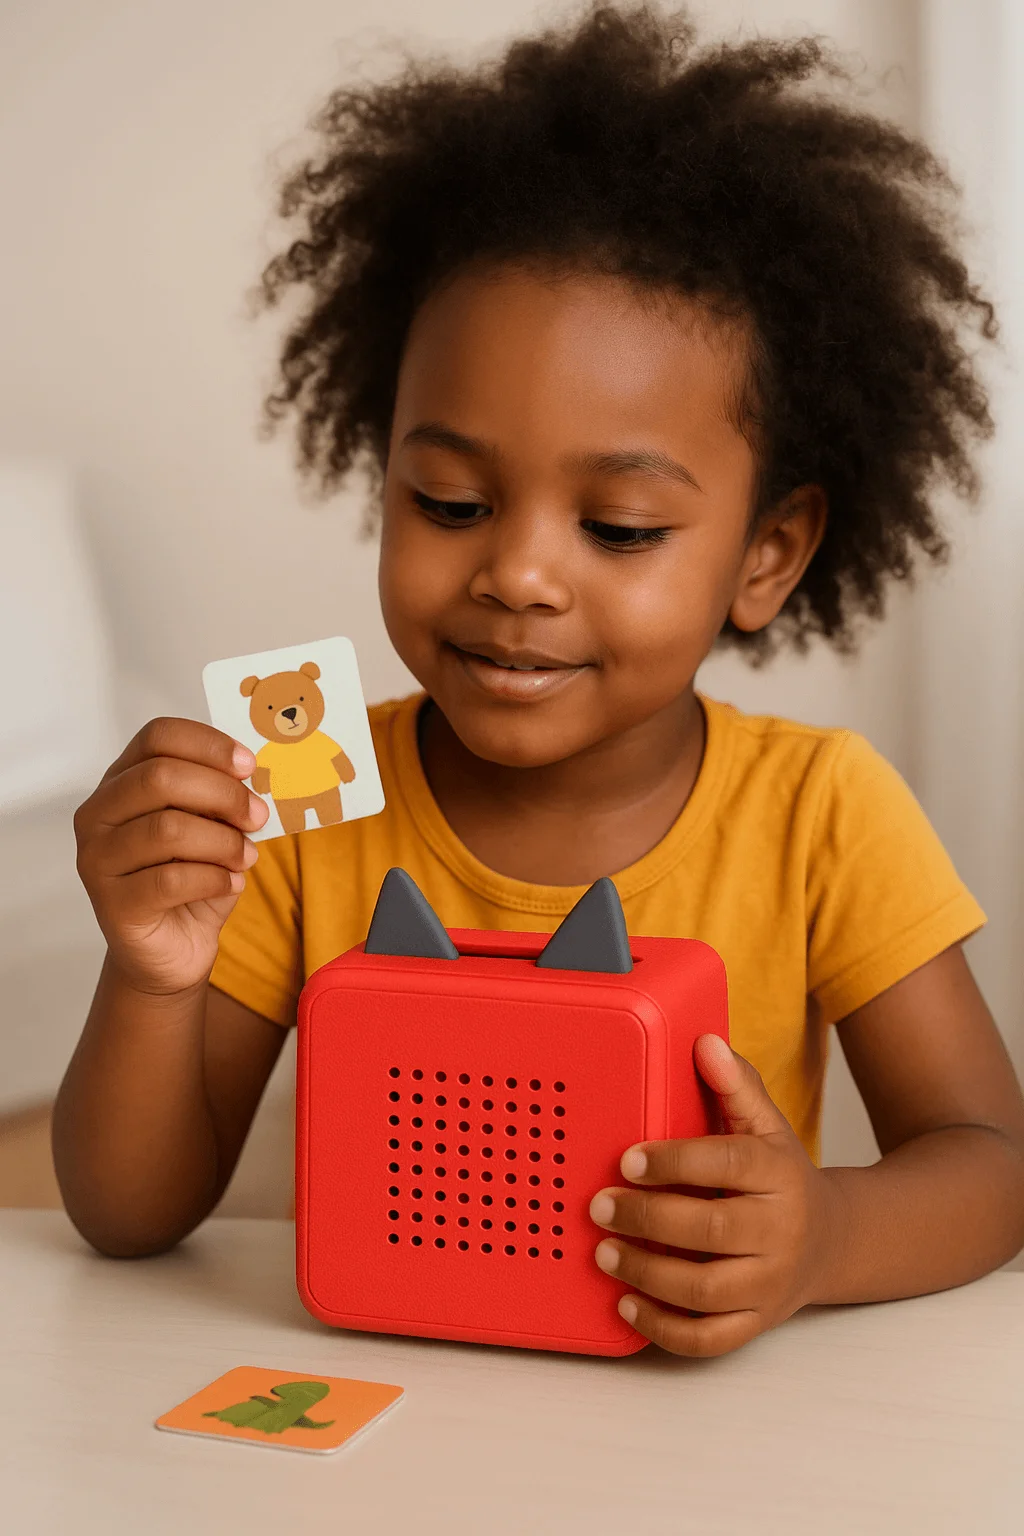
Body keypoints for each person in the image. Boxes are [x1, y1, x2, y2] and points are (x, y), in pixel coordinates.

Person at [58, 4, 1024, 1357]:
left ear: (769, 553)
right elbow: (127, 1214)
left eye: (619, 528)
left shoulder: (824, 810)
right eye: (449, 501)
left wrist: (826, 1241)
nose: (517, 574)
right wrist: (153, 973)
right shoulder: (302, 797)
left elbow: (991, 1165)